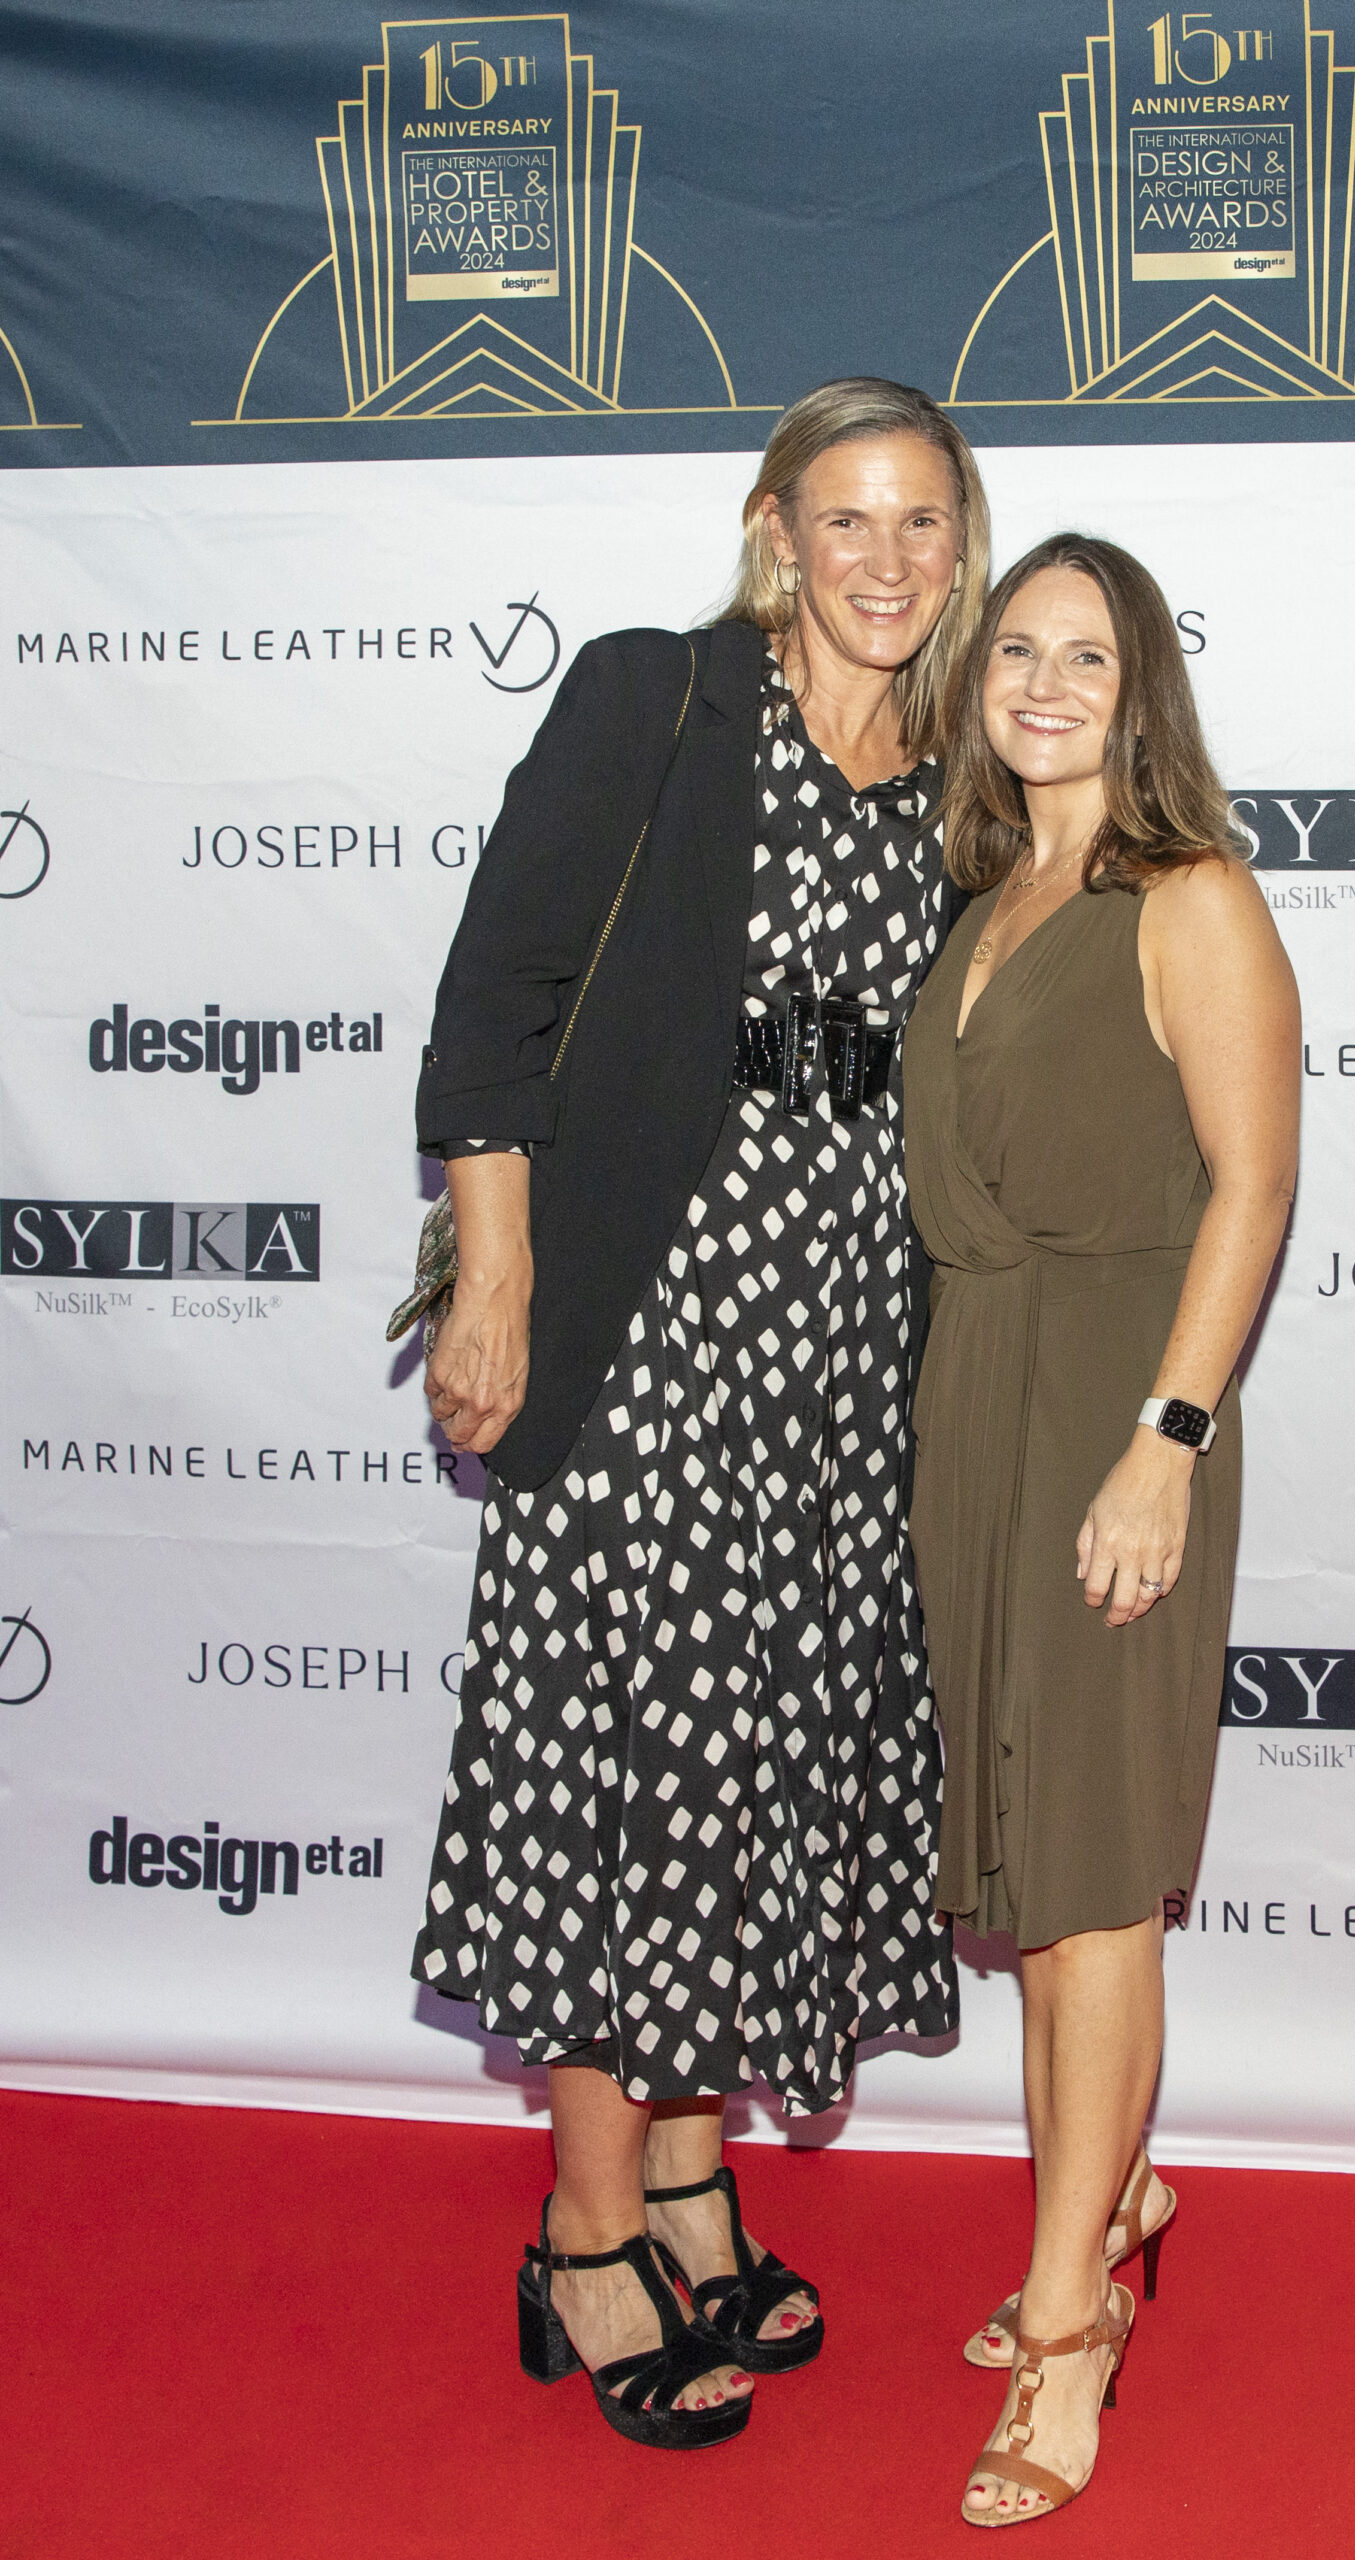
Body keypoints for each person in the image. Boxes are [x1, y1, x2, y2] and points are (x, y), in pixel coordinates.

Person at [409, 380, 990, 2449]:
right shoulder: (656, 699)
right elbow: (496, 1002)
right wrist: (496, 1281)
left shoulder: (957, 775)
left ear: (958, 547)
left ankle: (682, 2177)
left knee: (744, 1770)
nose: (884, 559)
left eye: (921, 521)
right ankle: (582, 2239)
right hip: (650, 1339)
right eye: (846, 518)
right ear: (774, 531)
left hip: (837, 1368)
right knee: (629, 1776)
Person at [904, 533, 1300, 2524]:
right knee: (1032, 1881)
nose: (1042, 684)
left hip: (1110, 1407)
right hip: (971, 1402)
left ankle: (1071, 2320)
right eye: (1014, 651)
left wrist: (1166, 1437)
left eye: (1085, 655)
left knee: (1092, 1886)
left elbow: (1250, 1184)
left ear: (1141, 690)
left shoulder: (1188, 894)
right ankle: (1111, 2189)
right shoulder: (985, 896)